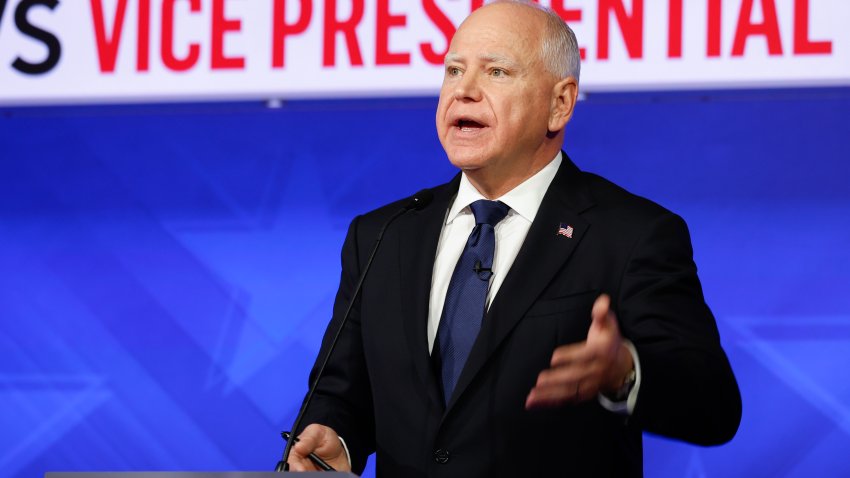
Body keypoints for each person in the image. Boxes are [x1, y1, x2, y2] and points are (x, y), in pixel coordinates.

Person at [286, 1, 741, 476]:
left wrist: (625, 372)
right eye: (453, 70)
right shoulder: (383, 235)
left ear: (559, 103)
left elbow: (713, 406)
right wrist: (335, 437)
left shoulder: (630, 235)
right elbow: (341, 392)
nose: (463, 90)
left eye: (497, 71)